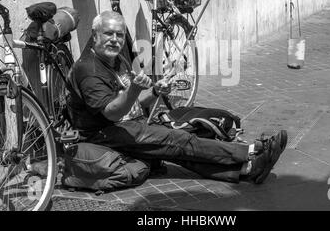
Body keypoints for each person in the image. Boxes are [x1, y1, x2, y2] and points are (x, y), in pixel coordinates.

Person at [67, 10, 288, 184]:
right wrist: (134, 89)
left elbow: (135, 104)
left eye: (119, 35)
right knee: (177, 141)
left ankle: (248, 170)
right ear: (95, 36)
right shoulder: (89, 70)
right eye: (108, 34)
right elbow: (112, 112)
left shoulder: (118, 60)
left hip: (127, 123)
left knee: (176, 146)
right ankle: (252, 151)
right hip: (101, 134)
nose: (115, 40)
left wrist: (155, 92)